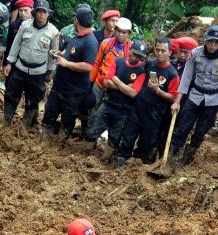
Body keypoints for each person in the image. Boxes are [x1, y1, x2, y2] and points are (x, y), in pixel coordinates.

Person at [169, 25, 218, 167]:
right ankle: (170, 157)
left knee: (201, 131)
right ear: (205, 40)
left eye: (216, 42)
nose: (212, 45)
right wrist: (177, 101)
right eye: (210, 41)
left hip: (213, 100)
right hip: (195, 95)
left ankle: (185, 160)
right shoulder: (195, 54)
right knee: (182, 127)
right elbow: (186, 78)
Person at [115, 37, 179, 167]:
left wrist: (157, 91)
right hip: (138, 107)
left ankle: (138, 166)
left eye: (163, 51)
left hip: (154, 114)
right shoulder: (149, 64)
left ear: (170, 52)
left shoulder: (172, 74)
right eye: (157, 50)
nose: (159, 53)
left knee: (146, 143)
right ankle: (121, 161)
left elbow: (173, 97)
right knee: (128, 136)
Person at [41, 5, 99, 142]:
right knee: (50, 112)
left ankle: (59, 146)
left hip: (73, 90)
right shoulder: (77, 37)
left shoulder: (90, 41)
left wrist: (66, 63)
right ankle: (44, 141)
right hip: (60, 86)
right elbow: (73, 54)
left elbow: (88, 66)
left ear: (77, 20)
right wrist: (62, 54)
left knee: (68, 119)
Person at [84, 39, 148, 159]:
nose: (135, 58)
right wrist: (125, 86)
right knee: (93, 130)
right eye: (134, 54)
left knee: (114, 138)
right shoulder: (117, 61)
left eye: (139, 57)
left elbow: (133, 93)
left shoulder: (141, 72)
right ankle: (84, 155)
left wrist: (116, 80)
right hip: (108, 103)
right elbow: (106, 82)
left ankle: (105, 161)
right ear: (129, 50)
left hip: (123, 109)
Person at [3, 0, 60, 129]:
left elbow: (53, 54)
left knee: (32, 101)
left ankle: (25, 127)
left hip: (38, 72)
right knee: (11, 96)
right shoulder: (25, 25)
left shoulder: (53, 32)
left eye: (43, 12)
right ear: (34, 12)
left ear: (48, 14)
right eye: (38, 11)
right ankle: (5, 123)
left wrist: (50, 72)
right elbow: (16, 44)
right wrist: (9, 63)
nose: (41, 14)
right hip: (20, 68)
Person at [82, 16, 133, 150]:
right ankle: (89, 139)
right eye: (119, 31)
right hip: (99, 83)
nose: (121, 35)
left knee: (108, 115)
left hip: (114, 88)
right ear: (114, 30)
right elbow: (97, 63)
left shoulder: (131, 50)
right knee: (92, 110)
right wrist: (90, 82)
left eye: (124, 32)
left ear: (129, 33)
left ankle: (108, 143)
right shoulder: (106, 43)